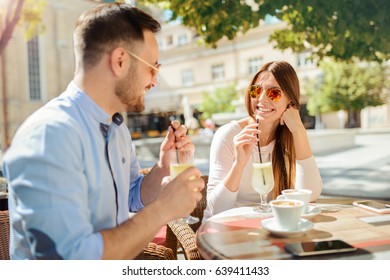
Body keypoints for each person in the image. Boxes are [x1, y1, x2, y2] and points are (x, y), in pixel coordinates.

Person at [2, 3, 204, 260]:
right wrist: (163, 210)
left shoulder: (116, 128)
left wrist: (164, 167)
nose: (154, 81)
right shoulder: (49, 136)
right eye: (152, 68)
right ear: (120, 60)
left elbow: (131, 195)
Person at [204, 61, 322, 220]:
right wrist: (239, 164)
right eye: (256, 90)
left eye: (274, 93)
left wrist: (299, 130)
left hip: (270, 228)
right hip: (227, 229)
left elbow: (310, 194)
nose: (261, 99)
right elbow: (216, 210)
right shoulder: (228, 135)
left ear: (290, 101)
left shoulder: (291, 136)